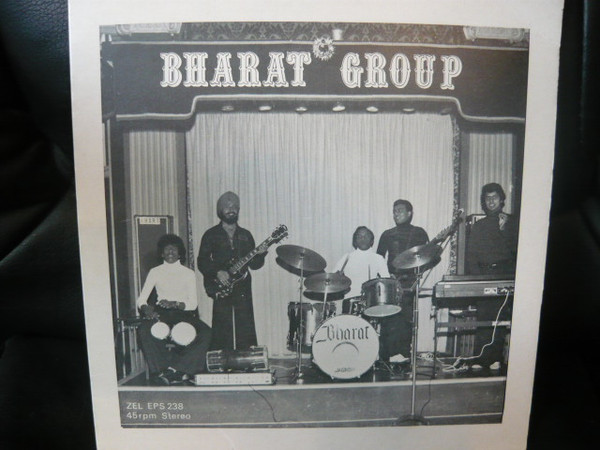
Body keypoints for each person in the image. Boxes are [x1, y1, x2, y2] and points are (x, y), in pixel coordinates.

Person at [136, 234, 212, 385]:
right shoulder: (155, 271)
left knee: (206, 333)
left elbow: (193, 304)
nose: (170, 251)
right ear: (162, 253)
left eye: (174, 249)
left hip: (183, 314)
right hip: (161, 313)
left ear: (180, 253)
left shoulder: (189, 273)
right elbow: (141, 299)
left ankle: (177, 369)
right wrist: (146, 308)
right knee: (144, 330)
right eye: (167, 249)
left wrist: (175, 304)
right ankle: (161, 371)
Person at [197, 191, 268, 351]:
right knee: (222, 323)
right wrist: (217, 271)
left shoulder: (246, 235)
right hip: (220, 283)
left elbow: (255, 264)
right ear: (220, 210)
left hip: (243, 284)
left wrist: (261, 254)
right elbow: (202, 261)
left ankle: (246, 358)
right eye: (227, 207)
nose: (231, 209)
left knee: (245, 323)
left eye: (235, 207)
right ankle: (222, 358)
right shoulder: (211, 234)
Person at [465, 182, 518, 371]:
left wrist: (504, 230)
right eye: (487, 198)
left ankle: (495, 357)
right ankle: (481, 357)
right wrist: (477, 279)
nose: (491, 201)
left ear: (502, 200)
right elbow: (471, 255)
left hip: (503, 273)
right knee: (483, 317)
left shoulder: (512, 223)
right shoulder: (478, 226)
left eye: (495, 197)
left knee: (499, 317)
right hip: (483, 274)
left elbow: (516, 250)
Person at [376, 199, 429, 362]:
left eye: (399, 210)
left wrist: (418, 274)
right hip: (390, 281)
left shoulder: (419, 232)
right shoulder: (387, 234)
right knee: (388, 317)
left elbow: (428, 255)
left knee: (406, 318)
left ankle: (404, 354)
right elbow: (379, 258)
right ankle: (386, 355)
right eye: (394, 211)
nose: (396, 214)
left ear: (409, 213)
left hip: (409, 281)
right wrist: (386, 276)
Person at [334, 226, 390, 314]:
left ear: (372, 240)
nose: (362, 239)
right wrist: (337, 277)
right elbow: (332, 278)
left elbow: (386, 281)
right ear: (355, 241)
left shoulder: (378, 258)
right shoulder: (347, 257)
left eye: (366, 236)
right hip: (349, 301)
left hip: (370, 302)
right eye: (359, 236)